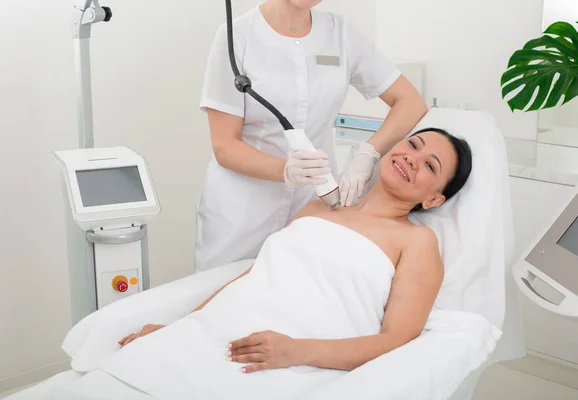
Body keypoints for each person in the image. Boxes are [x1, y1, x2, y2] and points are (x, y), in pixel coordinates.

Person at [117, 128, 472, 386]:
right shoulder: (321, 204)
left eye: (430, 165)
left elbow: (396, 341)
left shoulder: (416, 242)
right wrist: (179, 326)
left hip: (290, 357)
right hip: (222, 328)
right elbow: (257, 275)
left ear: (434, 200)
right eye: (413, 144)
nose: (412, 157)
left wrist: (294, 352)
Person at [195, 0, 428, 273]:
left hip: (312, 207)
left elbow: (410, 102)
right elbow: (225, 145)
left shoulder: (340, 34)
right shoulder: (237, 36)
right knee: (221, 300)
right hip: (241, 212)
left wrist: (368, 153)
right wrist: (284, 170)